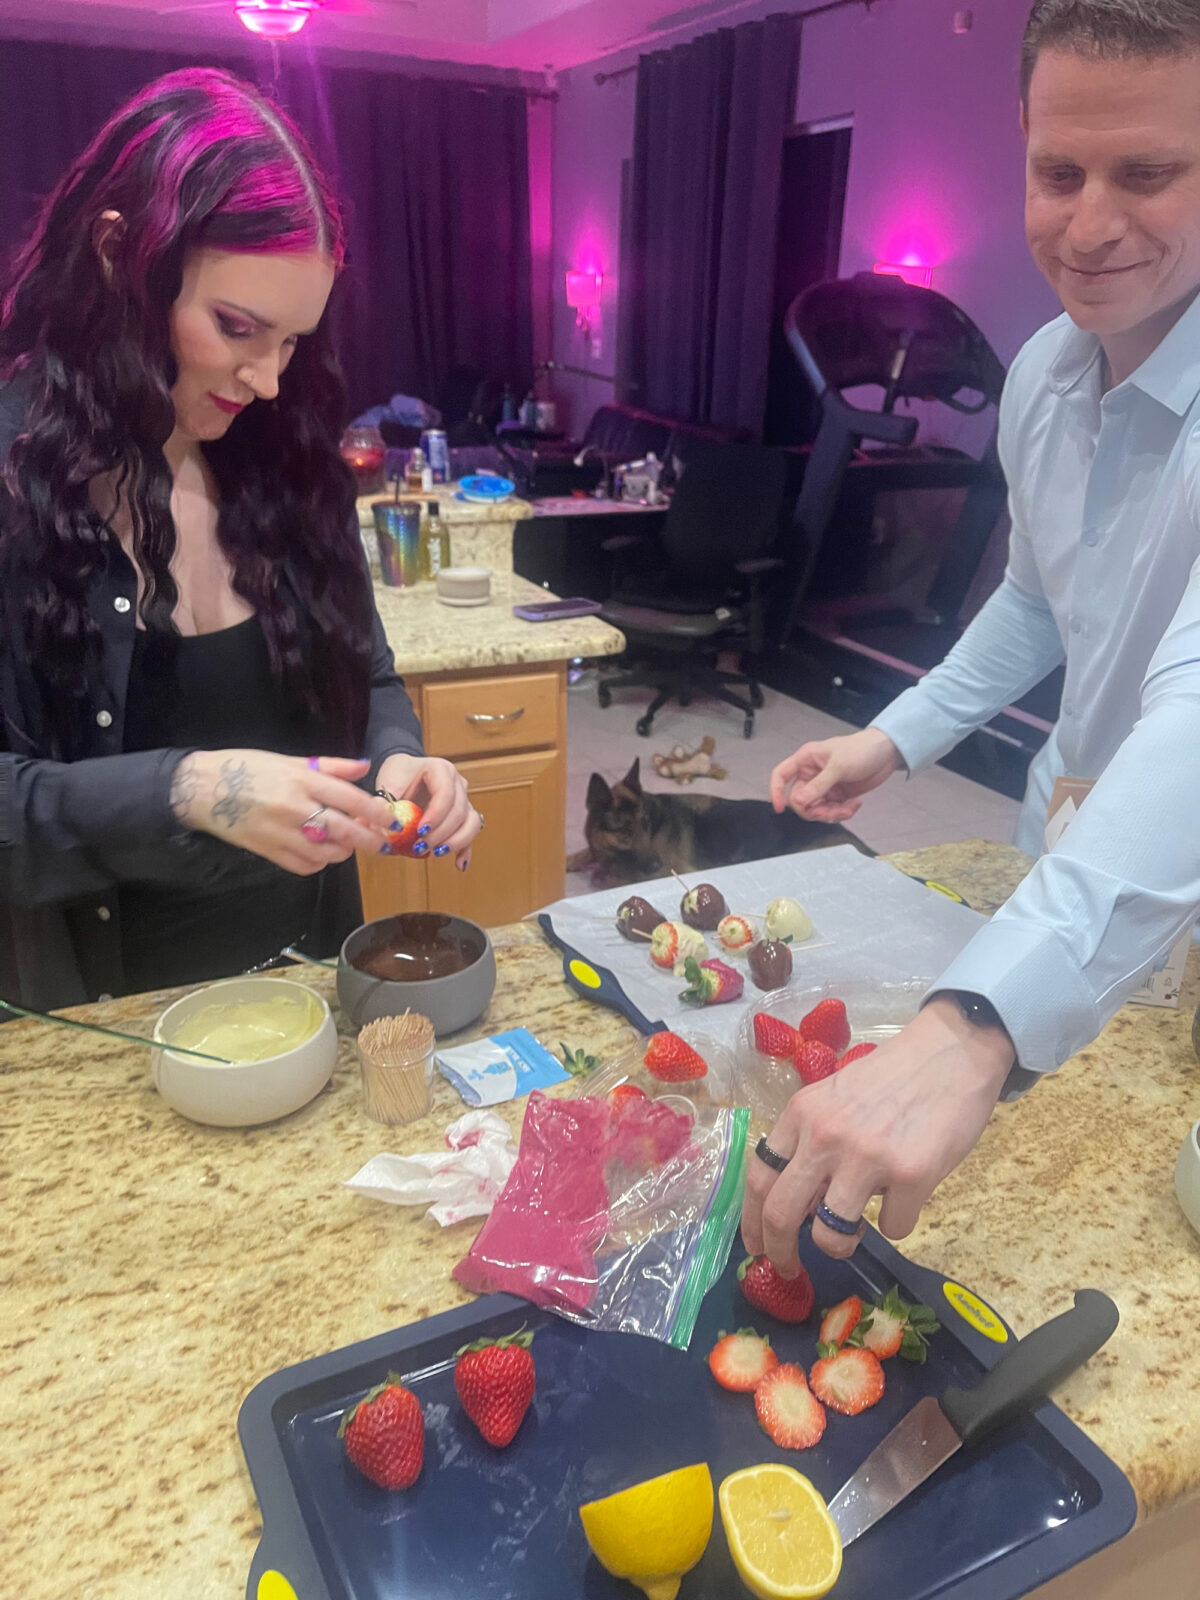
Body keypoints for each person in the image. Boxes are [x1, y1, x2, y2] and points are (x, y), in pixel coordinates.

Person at [745, 0, 1200, 1274]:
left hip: (1174, 891)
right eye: (1060, 171)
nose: (1092, 222)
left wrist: (971, 1025)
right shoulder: (1050, 375)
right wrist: (894, 740)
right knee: (989, 1231)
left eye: (1150, 173)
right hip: (1063, 858)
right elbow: (1040, 603)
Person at [0, 68, 481, 1009]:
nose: (266, 380)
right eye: (236, 328)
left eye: (293, 341)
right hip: (109, 1034)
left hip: (310, 993)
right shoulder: (14, 481)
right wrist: (184, 790)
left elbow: (369, 675)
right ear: (116, 257)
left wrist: (396, 760)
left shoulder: (284, 463)